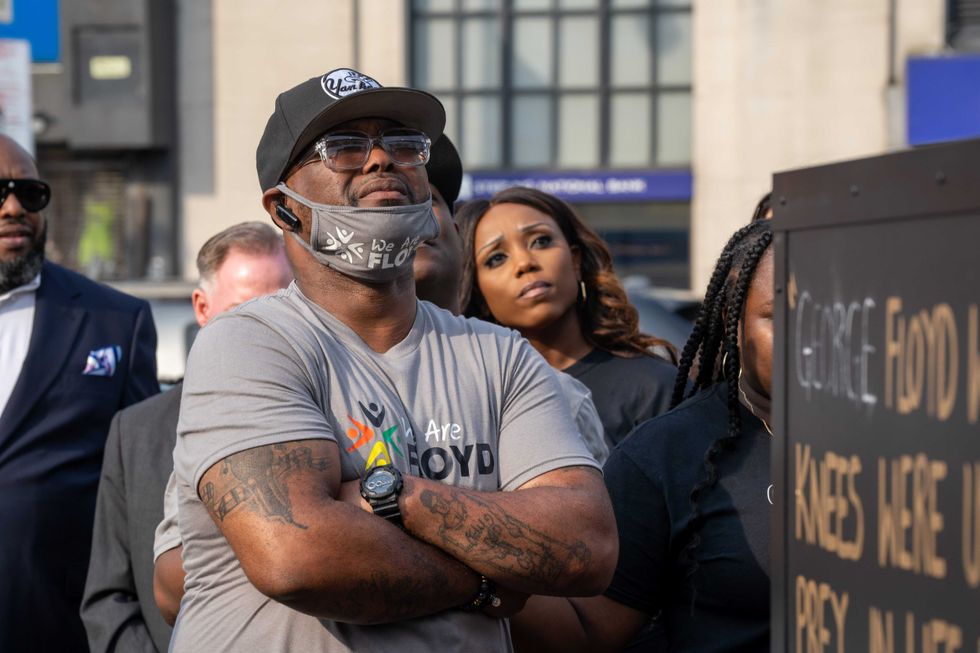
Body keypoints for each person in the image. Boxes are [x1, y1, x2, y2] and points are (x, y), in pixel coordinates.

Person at [168, 68, 616, 652]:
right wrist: (487, 583)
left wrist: (392, 496)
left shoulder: (502, 357)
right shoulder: (248, 344)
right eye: (345, 147)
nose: (382, 160)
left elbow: (586, 545)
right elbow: (297, 556)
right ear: (284, 210)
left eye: (404, 144)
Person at [511, 219, 775, 653]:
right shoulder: (662, 454)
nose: (809, 339)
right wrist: (480, 577)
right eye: (780, 316)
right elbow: (591, 630)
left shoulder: (909, 443)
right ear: (734, 318)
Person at [80, 222, 293, 652]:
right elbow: (109, 599)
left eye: (282, 306)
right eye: (244, 311)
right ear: (202, 307)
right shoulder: (135, 434)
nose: (266, 329)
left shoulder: (332, 419)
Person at [0, 134, 159, 652]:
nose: (14, 208)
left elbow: (144, 485)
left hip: (61, 624)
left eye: (30, 193)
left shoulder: (115, 320)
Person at [458, 186, 678, 451]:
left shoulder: (655, 386)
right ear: (479, 296)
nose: (524, 263)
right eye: (496, 258)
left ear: (575, 260)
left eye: (540, 241)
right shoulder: (471, 403)